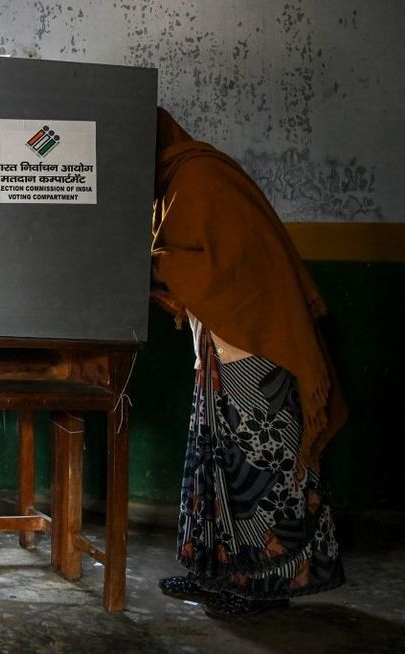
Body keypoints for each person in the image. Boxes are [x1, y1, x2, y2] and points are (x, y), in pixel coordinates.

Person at [150, 108, 347, 616]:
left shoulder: (200, 176)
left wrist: (152, 259)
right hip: (222, 348)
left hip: (258, 348)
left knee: (264, 472)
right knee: (219, 469)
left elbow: (219, 267)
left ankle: (267, 590)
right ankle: (220, 576)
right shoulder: (172, 184)